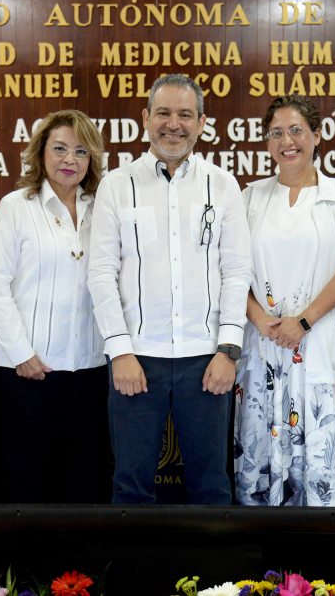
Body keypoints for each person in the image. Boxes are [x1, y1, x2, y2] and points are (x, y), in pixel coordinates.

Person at [88, 74, 251, 504]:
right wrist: (120, 351)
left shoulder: (223, 185)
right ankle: (135, 574)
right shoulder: (117, 185)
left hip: (207, 357)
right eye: (163, 113)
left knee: (212, 486)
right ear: (145, 118)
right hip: (137, 359)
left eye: (185, 114)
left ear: (201, 123)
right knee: (131, 484)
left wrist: (229, 350)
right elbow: (101, 272)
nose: (173, 124)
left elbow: (236, 270)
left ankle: (216, 574)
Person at [234, 95, 335, 507]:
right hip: (265, 349)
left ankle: (330, 568)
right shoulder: (250, 197)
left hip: (323, 348)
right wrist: (261, 321)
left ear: (316, 135)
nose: (286, 141)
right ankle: (263, 570)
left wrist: (302, 323)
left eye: (296, 130)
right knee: (263, 466)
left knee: (324, 467)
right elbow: (231, 272)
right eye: (276, 133)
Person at [0, 109, 110, 503]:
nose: (69, 160)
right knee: (26, 480)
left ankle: (79, 568)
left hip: (89, 369)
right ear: (41, 153)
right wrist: (21, 353)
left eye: (80, 151)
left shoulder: (103, 208)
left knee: (85, 480)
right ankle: (25, 567)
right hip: (28, 370)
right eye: (59, 149)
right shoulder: (16, 206)